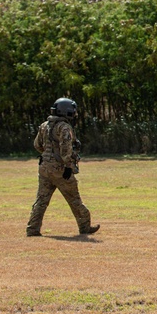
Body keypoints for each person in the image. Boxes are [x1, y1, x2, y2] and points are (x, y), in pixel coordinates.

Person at [26, 97, 100, 237]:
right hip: (60, 169)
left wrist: (48, 155)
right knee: (74, 198)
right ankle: (85, 226)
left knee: (41, 200)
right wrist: (67, 166)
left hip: (44, 167)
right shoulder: (64, 127)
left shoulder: (44, 125)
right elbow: (66, 148)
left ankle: (32, 229)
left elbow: (37, 145)